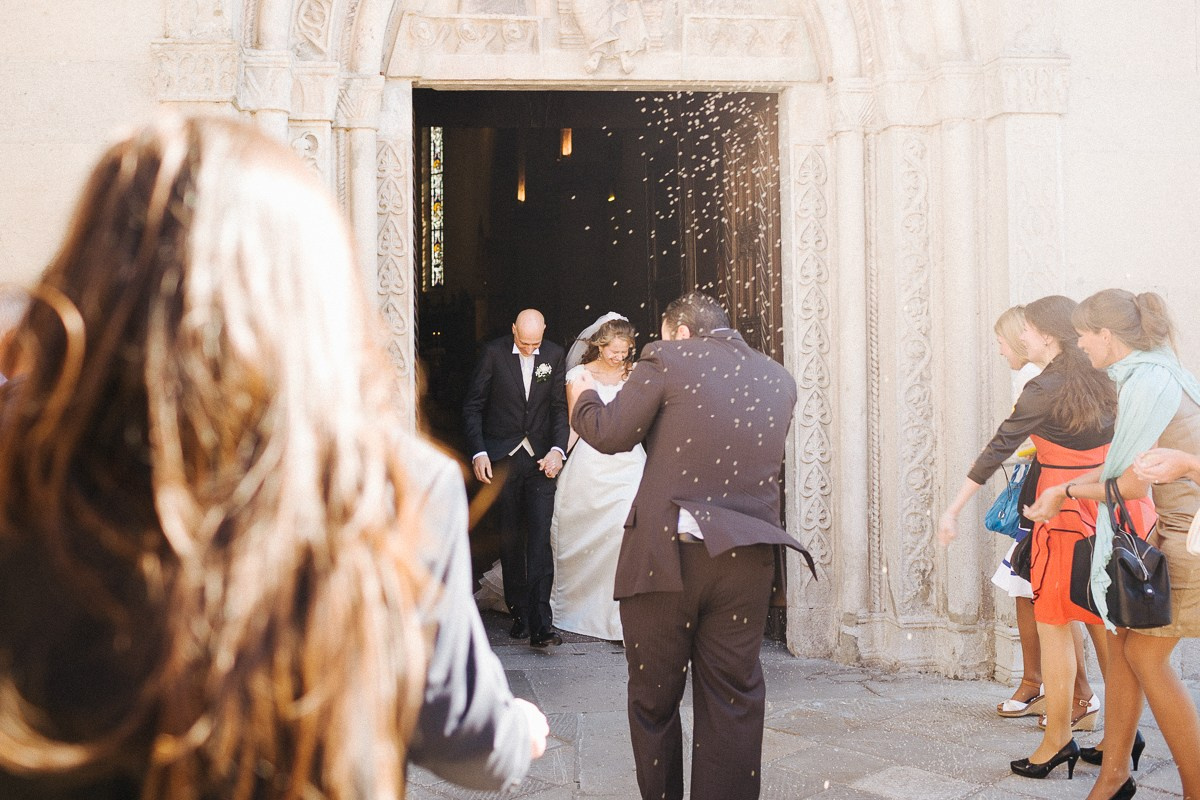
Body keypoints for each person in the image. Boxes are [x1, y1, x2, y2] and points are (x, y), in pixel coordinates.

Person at [0, 116, 544, 799]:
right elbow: (469, 747)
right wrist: (516, 727)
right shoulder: (387, 482)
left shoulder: (22, 470)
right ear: (312, 288)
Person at [568, 291, 812, 800]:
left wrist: (583, 395)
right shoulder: (778, 377)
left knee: (654, 701)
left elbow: (611, 434)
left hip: (669, 560)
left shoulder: (669, 357)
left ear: (679, 331)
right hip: (748, 560)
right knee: (733, 698)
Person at [939, 296, 1146, 780]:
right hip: (1111, 506)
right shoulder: (1102, 375)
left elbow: (998, 448)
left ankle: (1057, 740)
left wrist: (953, 508)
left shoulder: (1043, 387)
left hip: (1065, 511)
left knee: (1054, 624)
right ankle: (1123, 731)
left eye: (1026, 330)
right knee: (1103, 622)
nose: (1020, 337)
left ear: (1047, 335)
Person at [1027, 289, 1200, 800]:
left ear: (1107, 336)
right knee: (1126, 649)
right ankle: (1113, 775)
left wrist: (1062, 491)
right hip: (1174, 533)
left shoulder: (1146, 380)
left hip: (1188, 539)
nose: (1079, 343)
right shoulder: (1149, 373)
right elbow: (1127, 469)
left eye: (1084, 334)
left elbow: (1129, 485)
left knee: (1146, 659)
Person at [463, 308, 569, 647]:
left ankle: (542, 625)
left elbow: (558, 409)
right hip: (502, 460)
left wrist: (557, 449)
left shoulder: (553, 355)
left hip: (540, 460)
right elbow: (473, 406)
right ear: (513, 330)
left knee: (539, 538)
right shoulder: (493, 354)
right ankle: (519, 613)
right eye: (523, 342)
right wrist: (480, 452)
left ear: (544, 334)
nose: (528, 348)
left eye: (534, 343)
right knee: (511, 538)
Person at [549, 312, 645, 641]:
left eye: (625, 352)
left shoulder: (635, 373)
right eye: (614, 351)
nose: (619, 357)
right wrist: (559, 454)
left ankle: (623, 617)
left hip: (629, 461)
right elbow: (578, 423)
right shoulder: (580, 373)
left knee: (626, 529)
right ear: (600, 346)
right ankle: (580, 606)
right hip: (591, 461)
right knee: (582, 534)